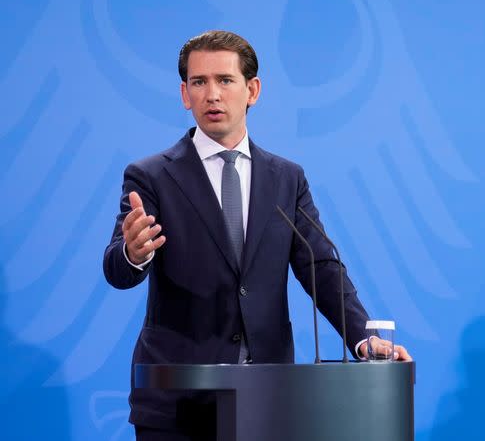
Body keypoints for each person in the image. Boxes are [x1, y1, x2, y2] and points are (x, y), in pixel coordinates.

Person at [103, 30, 411, 441]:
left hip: (268, 399)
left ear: (252, 90)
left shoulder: (286, 178)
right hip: (178, 403)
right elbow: (117, 270)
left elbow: (319, 266)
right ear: (184, 94)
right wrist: (133, 252)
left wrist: (363, 338)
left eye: (225, 81)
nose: (212, 94)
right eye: (199, 82)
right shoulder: (151, 176)